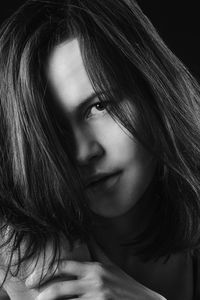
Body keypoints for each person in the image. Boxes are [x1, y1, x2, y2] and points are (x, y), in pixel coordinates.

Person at [0, 0, 200, 299]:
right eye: (54, 129)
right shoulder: (20, 270)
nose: (83, 152)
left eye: (99, 106)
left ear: (154, 90)